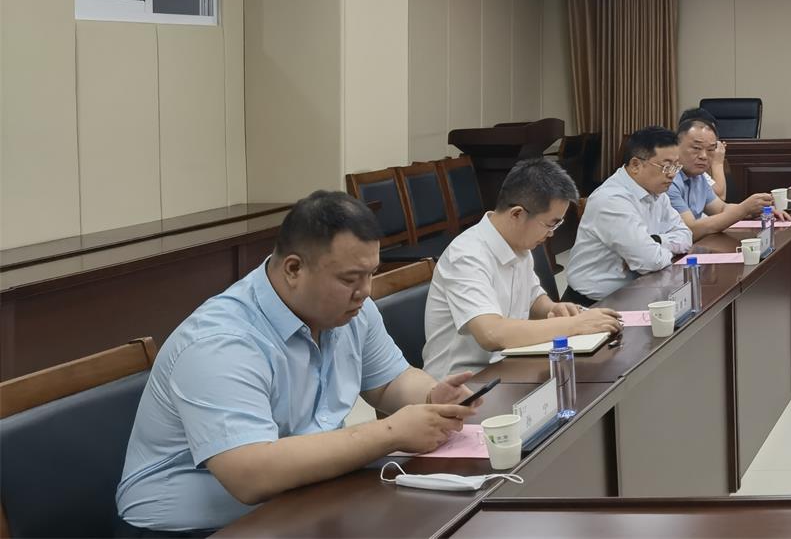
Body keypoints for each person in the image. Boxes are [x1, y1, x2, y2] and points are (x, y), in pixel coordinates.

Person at [116, 192, 478, 536]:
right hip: (191, 529)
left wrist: (431, 396)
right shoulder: (221, 342)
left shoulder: (351, 312)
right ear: (293, 269)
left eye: (371, 273)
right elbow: (251, 475)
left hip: (302, 498)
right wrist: (391, 433)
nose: (366, 291)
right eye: (349, 278)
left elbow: (389, 382)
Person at [423, 158, 620, 379]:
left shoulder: (518, 243)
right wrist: (574, 325)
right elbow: (491, 333)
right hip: (463, 382)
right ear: (517, 214)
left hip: (507, 366)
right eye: (550, 223)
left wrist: (552, 309)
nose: (551, 233)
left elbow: (532, 298)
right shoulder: (467, 256)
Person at [562, 126, 694, 304]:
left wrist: (655, 241)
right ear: (635, 165)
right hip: (594, 303)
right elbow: (649, 262)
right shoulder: (611, 200)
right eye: (666, 166)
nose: (672, 174)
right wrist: (658, 251)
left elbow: (686, 236)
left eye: (676, 166)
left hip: (641, 290)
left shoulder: (658, 193)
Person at [668, 113, 787, 237]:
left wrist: (756, 209)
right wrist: (744, 209)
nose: (704, 156)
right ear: (676, 147)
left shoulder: (698, 177)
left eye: (710, 149)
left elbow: (721, 209)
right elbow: (690, 229)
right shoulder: (669, 179)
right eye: (696, 148)